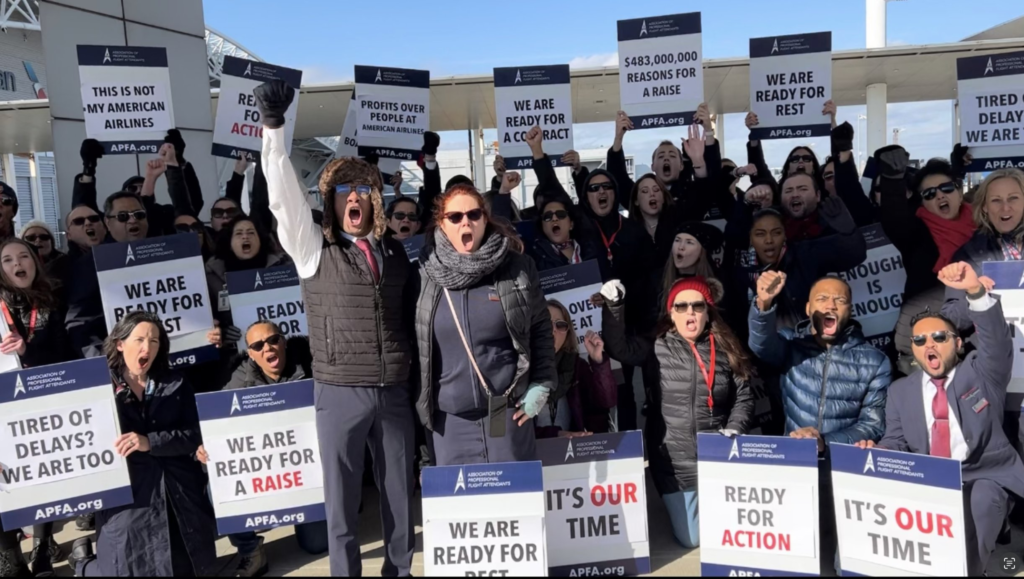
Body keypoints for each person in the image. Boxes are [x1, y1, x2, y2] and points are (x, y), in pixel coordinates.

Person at [255, 80, 417, 577]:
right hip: (339, 390)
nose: (353, 198)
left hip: (392, 390)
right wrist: (274, 129)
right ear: (331, 201)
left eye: (362, 190)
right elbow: (282, 198)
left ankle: (399, 571)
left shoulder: (395, 253)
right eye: (343, 190)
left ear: (375, 200)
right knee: (342, 505)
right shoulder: (312, 250)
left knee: (399, 500)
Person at [857, 262, 1023, 576]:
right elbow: (896, 441)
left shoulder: (981, 371)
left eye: (938, 336)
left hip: (985, 476)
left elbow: (997, 343)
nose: (928, 344)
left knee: (983, 499)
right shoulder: (900, 391)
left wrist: (975, 292)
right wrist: (878, 452)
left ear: (958, 344)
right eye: (919, 341)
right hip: (930, 483)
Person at [748, 272, 891, 571]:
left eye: (840, 300)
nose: (831, 305)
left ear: (850, 310)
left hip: (844, 474)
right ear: (808, 308)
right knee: (801, 559)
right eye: (822, 298)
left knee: (843, 562)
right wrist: (763, 303)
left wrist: (825, 442)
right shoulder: (790, 345)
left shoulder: (875, 361)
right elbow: (761, 344)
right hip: (795, 470)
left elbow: (873, 424)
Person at [600, 276, 753, 548]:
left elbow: (743, 395)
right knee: (693, 538)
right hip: (673, 465)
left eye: (697, 305)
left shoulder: (728, 347)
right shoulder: (656, 346)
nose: (690, 312)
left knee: (737, 531)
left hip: (718, 459)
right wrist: (614, 307)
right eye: (681, 306)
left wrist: (735, 427)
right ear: (671, 313)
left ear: (708, 311)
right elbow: (619, 347)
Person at [415, 183, 556, 465]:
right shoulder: (423, 275)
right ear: (441, 224)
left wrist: (542, 384)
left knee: (513, 503)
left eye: (474, 214)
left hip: (506, 411)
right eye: (455, 217)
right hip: (450, 422)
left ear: (484, 218)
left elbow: (541, 327)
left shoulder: (517, 267)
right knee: (462, 508)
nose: (465, 221)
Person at [69, 312, 217, 577]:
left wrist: (151, 442)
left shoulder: (176, 382)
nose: (146, 347)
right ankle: (84, 565)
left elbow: (194, 433)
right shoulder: (96, 388)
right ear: (120, 343)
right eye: (139, 339)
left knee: (187, 564)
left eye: (154, 341)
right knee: (123, 564)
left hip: (177, 490)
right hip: (127, 498)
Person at [195, 321, 325, 576]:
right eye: (257, 345)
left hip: (306, 475)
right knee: (215, 485)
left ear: (284, 341)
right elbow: (218, 440)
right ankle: (250, 550)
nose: (267, 348)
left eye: (273, 340)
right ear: (251, 354)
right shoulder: (237, 385)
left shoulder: (312, 370)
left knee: (317, 544)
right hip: (264, 473)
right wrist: (205, 453)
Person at [874, 147, 974, 375]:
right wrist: (891, 178)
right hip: (925, 345)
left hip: (975, 342)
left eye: (946, 188)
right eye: (929, 194)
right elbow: (894, 219)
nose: (939, 196)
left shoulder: (982, 227)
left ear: (959, 192)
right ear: (923, 203)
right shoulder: (917, 231)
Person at [727, 183, 867, 333]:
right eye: (760, 234)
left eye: (776, 232)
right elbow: (731, 235)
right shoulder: (739, 272)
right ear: (751, 238)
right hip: (758, 350)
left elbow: (855, 254)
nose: (769, 240)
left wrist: (849, 231)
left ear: (785, 235)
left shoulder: (805, 254)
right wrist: (745, 202)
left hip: (804, 346)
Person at [943, 168, 1024, 332]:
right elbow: (951, 319)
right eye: (996, 200)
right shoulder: (968, 255)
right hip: (996, 354)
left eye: (1013, 198)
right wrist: (975, 296)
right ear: (985, 207)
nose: (1005, 207)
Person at [205, 216, 290, 350]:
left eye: (251, 232)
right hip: (235, 356)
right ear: (230, 242)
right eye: (239, 233)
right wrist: (221, 332)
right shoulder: (211, 277)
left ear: (260, 239)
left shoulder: (283, 268)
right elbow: (206, 322)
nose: (245, 237)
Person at [535, 299, 617, 439]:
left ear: (567, 333)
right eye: (546, 323)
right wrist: (555, 435)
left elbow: (608, 401)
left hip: (575, 454)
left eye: (560, 325)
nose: (553, 330)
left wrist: (598, 362)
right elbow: (511, 430)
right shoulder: (520, 369)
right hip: (531, 455)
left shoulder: (576, 366)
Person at [0, 238, 76, 368]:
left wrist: (26, 351)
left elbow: (64, 356)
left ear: (35, 262)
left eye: (24, 256)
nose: (17, 263)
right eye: (7, 260)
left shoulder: (54, 301)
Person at [526, 196, 611, 279]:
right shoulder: (533, 259)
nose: (554, 218)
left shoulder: (593, 250)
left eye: (561, 214)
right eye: (547, 216)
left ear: (571, 224)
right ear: (542, 226)